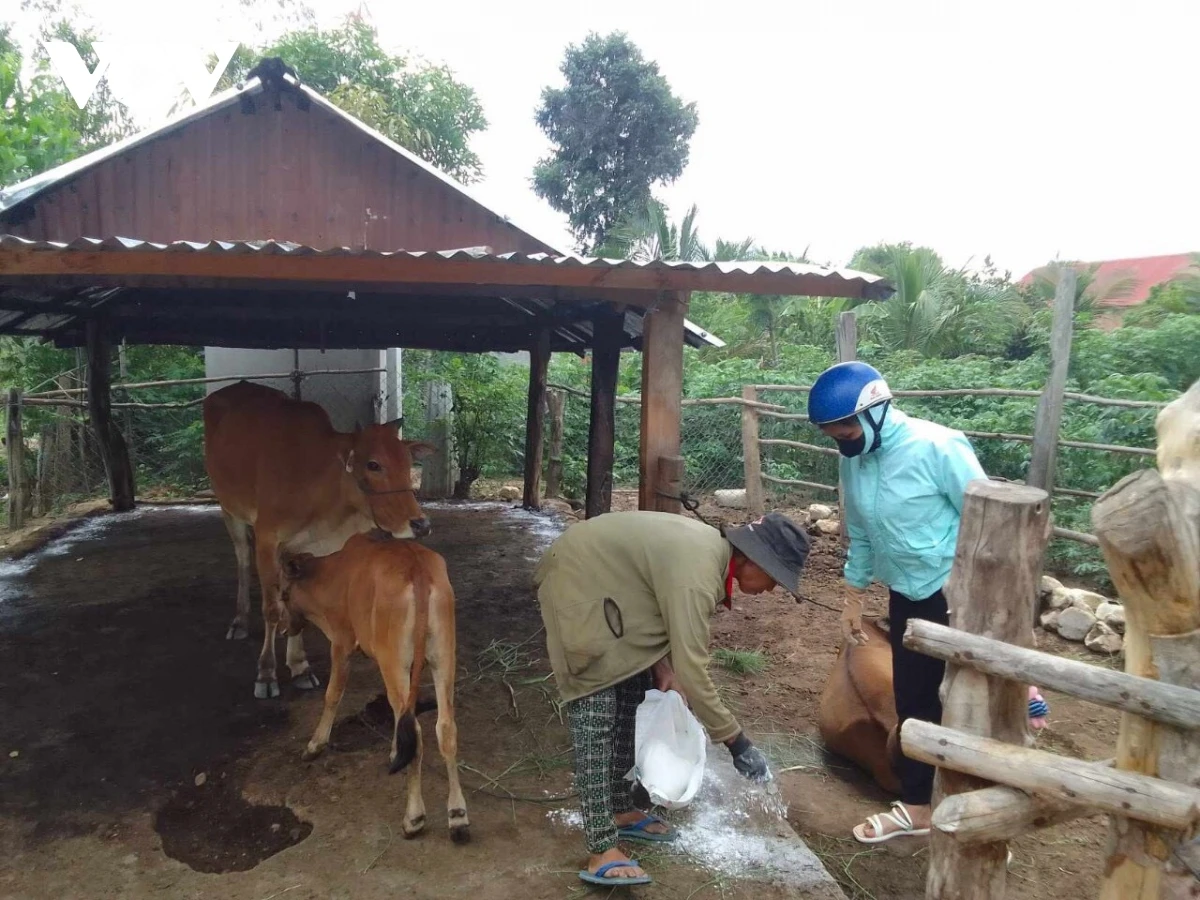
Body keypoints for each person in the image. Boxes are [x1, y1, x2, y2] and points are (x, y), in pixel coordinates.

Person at [534, 509, 811, 886]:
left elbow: (665, 628)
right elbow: (693, 670)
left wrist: (662, 667)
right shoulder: (698, 576)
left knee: (630, 688)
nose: (772, 589)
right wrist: (737, 742)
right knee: (597, 702)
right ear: (752, 559)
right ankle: (601, 846)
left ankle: (618, 809)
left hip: (609, 586)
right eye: (775, 577)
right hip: (577, 579)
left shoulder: (708, 561)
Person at [808, 361, 988, 843]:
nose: (841, 438)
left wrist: (983, 602)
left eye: (845, 427)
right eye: (833, 432)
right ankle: (917, 805)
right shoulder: (853, 461)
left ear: (876, 411)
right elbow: (863, 533)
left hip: (957, 595)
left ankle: (980, 814)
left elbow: (983, 520)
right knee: (914, 699)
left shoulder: (939, 446)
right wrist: (852, 594)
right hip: (907, 595)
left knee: (971, 700)